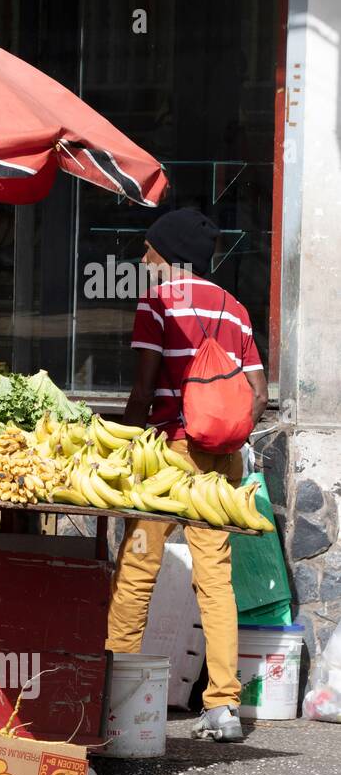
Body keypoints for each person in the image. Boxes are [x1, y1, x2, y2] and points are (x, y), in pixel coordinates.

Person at [108, 208, 269, 742]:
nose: (142, 258)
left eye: (150, 250)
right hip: (220, 456)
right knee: (215, 579)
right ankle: (223, 706)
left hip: (169, 454)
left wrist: (125, 445)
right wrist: (223, 436)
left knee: (137, 567)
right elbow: (260, 395)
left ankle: (114, 684)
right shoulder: (238, 310)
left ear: (170, 255)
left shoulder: (158, 303)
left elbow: (143, 390)